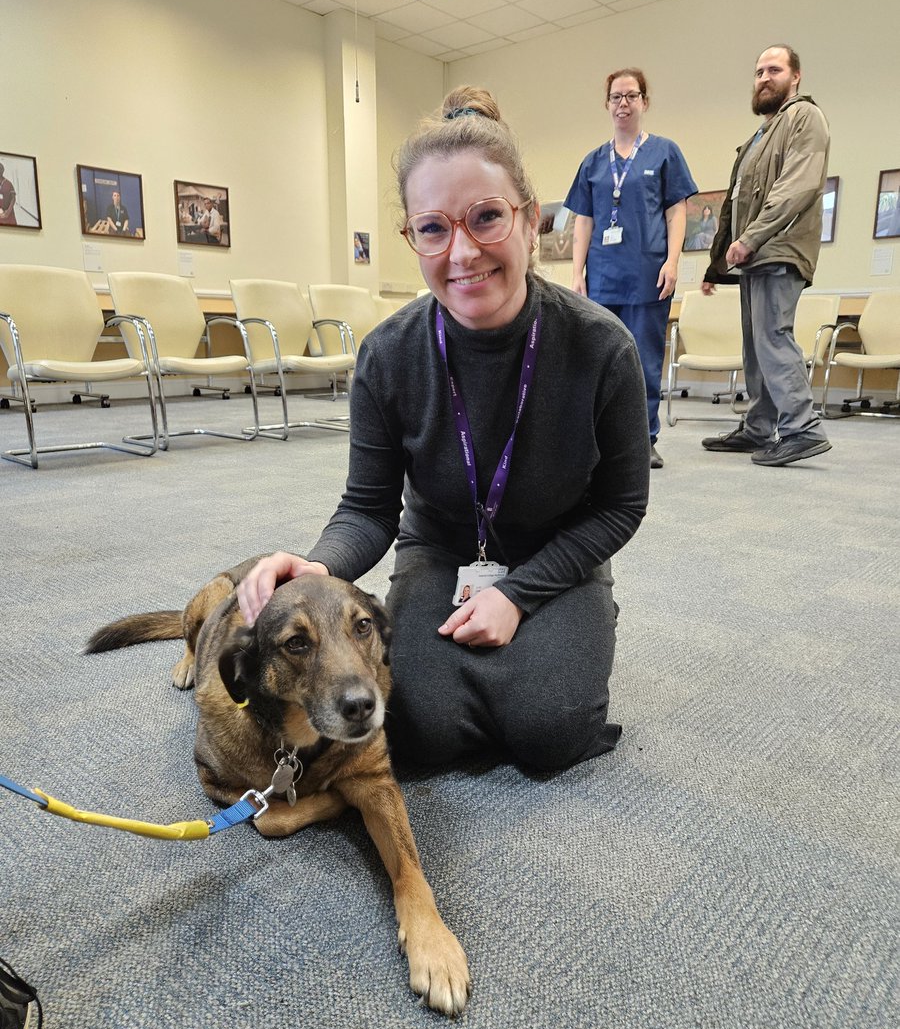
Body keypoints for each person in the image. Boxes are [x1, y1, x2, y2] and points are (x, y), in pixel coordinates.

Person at [237, 87, 650, 773]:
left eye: (486, 217)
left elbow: (621, 506)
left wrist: (518, 595)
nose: (462, 252)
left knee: (548, 735)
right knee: (417, 735)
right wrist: (319, 565)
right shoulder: (388, 355)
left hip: (559, 550)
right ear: (413, 238)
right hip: (440, 550)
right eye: (433, 228)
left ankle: (582, 620)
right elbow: (369, 509)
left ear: (528, 221)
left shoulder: (602, 348)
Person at [701, 45, 832, 467]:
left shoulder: (804, 118)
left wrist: (753, 238)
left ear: (796, 76)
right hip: (754, 254)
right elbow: (735, 205)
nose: (764, 77)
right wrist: (717, 263)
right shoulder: (758, 136)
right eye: (758, 71)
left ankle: (803, 429)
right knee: (755, 345)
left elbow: (798, 186)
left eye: (774, 69)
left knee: (773, 336)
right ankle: (759, 427)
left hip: (778, 248)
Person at [565, 68, 697, 471]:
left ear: (644, 102)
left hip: (648, 275)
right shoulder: (593, 162)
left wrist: (673, 262)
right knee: (601, 361)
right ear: (607, 104)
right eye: (617, 97)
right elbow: (583, 221)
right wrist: (576, 274)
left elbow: (677, 212)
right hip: (603, 278)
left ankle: (644, 440)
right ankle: (601, 441)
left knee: (644, 360)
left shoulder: (664, 152)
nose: (624, 103)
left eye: (631, 96)